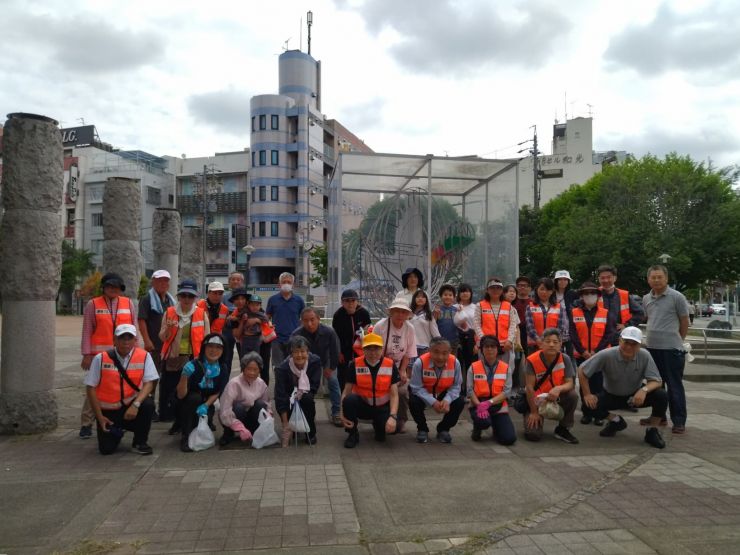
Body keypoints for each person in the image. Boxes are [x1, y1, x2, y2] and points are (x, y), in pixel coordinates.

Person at [579, 327, 668, 448]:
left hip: (634, 396)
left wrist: (644, 390)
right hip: (611, 395)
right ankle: (616, 421)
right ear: (620, 341)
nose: (629, 347)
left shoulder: (645, 355)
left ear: (640, 345)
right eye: (626, 342)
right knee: (587, 406)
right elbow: (582, 370)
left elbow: (657, 381)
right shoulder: (607, 354)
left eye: (634, 344)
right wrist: (587, 394)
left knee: (661, 395)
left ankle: (652, 430)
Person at [84, 324, 157, 455]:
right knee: (106, 450)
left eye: (130, 338)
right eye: (122, 338)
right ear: (114, 340)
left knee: (148, 404)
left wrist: (135, 405)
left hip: (131, 406)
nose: (126, 342)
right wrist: (99, 417)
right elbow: (90, 388)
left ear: (135, 340)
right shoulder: (100, 358)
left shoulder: (144, 356)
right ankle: (117, 431)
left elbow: (149, 384)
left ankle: (139, 442)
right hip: (109, 411)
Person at [79, 272, 134, 439]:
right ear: (103, 287)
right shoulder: (93, 304)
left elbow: (133, 329)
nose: (113, 289)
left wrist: (136, 351)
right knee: (94, 388)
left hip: (123, 352)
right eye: (109, 286)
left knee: (119, 387)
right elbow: (87, 330)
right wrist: (86, 354)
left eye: (116, 287)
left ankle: (117, 420)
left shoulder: (128, 303)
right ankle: (86, 423)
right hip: (99, 355)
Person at [642, 264, 690, 434]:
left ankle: (679, 421)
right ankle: (659, 417)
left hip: (671, 350)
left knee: (674, 386)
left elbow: (684, 321)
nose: (656, 280)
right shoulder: (646, 298)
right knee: (656, 385)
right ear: (648, 280)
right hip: (651, 348)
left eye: (659, 277)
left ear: (666, 278)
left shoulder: (677, 297)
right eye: (653, 277)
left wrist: (678, 340)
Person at [158, 279, 210, 430]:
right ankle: (176, 420)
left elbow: (207, 339)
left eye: (190, 296)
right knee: (172, 392)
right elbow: (162, 337)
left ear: (195, 298)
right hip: (174, 358)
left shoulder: (201, 314)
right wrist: (168, 329)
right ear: (179, 296)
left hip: (194, 359)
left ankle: (186, 421)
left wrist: (206, 360)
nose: (187, 299)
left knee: (190, 392)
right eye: (183, 295)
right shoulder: (169, 312)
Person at [340, 332, 400, 448]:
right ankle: (352, 434)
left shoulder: (390, 364)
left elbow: (394, 395)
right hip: (363, 406)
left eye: (376, 349)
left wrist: (393, 417)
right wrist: (341, 413)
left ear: (382, 349)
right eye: (368, 349)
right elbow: (346, 391)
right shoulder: (354, 364)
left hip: (382, 408)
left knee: (393, 429)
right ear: (363, 349)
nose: (373, 353)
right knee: (349, 400)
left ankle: (379, 426)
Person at [570, 281, 618, 426]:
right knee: (584, 384)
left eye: (592, 293)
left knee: (598, 385)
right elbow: (573, 334)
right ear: (582, 296)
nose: (589, 296)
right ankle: (587, 413)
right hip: (582, 355)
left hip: (601, 356)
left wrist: (596, 352)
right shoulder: (574, 312)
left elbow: (609, 334)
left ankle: (599, 414)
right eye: (586, 293)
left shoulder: (605, 313)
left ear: (598, 296)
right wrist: (583, 351)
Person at [523, 327, 579, 444]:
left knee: (572, 395)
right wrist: (534, 412)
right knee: (533, 435)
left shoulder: (565, 358)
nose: (551, 345)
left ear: (560, 344)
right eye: (548, 341)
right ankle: (531, 415)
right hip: (536, 400)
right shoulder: (531, 360)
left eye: (555, 342)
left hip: (556, 396)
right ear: (541, 344)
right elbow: (529, 388)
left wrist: (558, 389)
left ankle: (563, 429)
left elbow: (570, 383)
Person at [175, 333, 229, 452]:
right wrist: (184, 375)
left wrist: (206, 405)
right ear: (204, 348)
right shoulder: (193, 365)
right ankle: (185, 437)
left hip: (206, 404)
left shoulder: (223, 368)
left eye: (218, 347)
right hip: (187, 404)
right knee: (195, 398)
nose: (214, 350)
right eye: (210, 346)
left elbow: (218, 391)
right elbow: (180, 395)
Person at [291, 307, 342, 427]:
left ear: (318, 319)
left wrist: (331, 368)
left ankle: (336, 412)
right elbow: (292, 354)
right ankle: (303, 413)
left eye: (312, 320)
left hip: (326, 361)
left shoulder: (329, 332)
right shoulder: (297, 334)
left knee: (333, 383)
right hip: (306, 364)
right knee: (302, 387)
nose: (309, 324)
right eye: (305, 320)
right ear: (301, 321)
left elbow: (335, 351)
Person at [408, 337, 465, 443]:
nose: (440, 357)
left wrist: (447, 400)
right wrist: (433, 402)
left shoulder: (455, 363)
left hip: (444, 392)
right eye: (436, 352)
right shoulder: (420, 363)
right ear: (429, 351)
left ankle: (443, 429)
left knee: (460, 401)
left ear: (450, 352)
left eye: (444, 353)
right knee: (413, 400)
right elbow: (416, 387)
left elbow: (456, 386)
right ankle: (422, 429)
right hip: (425, 393)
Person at [373, 297, 417, 434]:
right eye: (397, 311)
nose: (400, 314)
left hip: (398, 365)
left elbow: (408, 352)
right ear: (391, 312)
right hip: (380, 365)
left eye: (403, 312)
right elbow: (374, 351)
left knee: (402, 391)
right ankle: (380, 417)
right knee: (381, 389)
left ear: (407, 314)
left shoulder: (410, 328)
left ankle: (401, 419)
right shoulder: (380, 326)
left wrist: (402, 370)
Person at [137, 269, 175, 421]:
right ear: (153, 281)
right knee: (152, 378)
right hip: (154, 345)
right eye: (159, 280)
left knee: (167, 378)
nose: (162, 283)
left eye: (165, 280)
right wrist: (147, 340)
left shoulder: (170, 300)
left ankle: (164, 408)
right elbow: (141, 320)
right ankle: (150, 408)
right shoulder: (147, 299)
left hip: (168, 345)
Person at [468, 335, 517, 445]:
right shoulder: (473, 367)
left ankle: (496, 426)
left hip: (498, 404)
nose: (490, 349)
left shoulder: (505, 367)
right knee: (483, 422)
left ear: (497, 349)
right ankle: (477, 427)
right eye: (486, 347)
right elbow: (470, 390)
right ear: (481, 350)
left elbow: (506, 391)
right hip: (478, 404)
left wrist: (489, 403)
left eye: (493, 346)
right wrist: (479, 405)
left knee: (509, 439)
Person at [274, 336, 322, 447]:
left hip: (305, 394)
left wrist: (300, 394)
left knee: (307, 399)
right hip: (289, 398)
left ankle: (310, 431)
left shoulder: (315, 362)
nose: (299, 355)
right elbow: (280, 395)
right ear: (290, 354)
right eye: (295, 352)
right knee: (285, 401)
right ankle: (290, 427)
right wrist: (285, 425)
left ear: (308, 352)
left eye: (303, 351)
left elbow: (314, 386)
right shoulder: (282, 369)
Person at [473, 277, 517, 392]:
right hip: (487, 346)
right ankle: (485, 393)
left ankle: (504, 394)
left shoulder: (508, 306)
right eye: (492, 288)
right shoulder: (480, 305)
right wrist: (484, 341)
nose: (495, 290)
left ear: (502, 290)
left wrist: (510, 340)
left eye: (498, 288)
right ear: (487, 290)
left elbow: (513, 325)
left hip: (505, 346)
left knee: (506, 371)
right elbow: (476, 324)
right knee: (485, 370)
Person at [219, 352, 271, 447]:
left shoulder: (261, 383)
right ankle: (228, 433)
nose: (252, 373)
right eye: (249, 369)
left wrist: (268, 421)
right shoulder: (234, 383)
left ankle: (254, 431)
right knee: (238, 407)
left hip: (251, 416)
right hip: (234, 417)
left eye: (255, 369)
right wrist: (240, 428)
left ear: (259, 370)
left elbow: (267, 404)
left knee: (260, 404)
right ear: (243, 369)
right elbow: (224, 410)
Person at [332, 289, 372, 391]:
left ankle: (361, 395)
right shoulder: (338, 315)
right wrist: (339, 352)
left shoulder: (363, 313)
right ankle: (344, 397)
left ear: (357, 301)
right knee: (343, 376)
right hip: (344, 351)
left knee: (361, 376)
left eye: (353, 300)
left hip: (360, 351)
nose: (350, 303)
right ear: (342, 302)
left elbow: (368, 332)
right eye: (347, 301)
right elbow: (335, 336)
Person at [266, 272, 305, 369]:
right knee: (278, 367)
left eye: (289, 282)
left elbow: (304, 318)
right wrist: (269, 327)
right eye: (284, 282)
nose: (286, 284)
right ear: (279, 284)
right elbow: (267, 317)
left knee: (295, 366)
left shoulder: (299, 300)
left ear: (293, 285)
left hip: (294, 339)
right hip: (277, 339)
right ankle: (279, 379)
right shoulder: (272, 300)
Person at [526, 277, 569, 353]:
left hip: (553, 346)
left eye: (548, 290)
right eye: (542, 289)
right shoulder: (530, 306)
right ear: (537, 290)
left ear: (552, 291)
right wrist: (538, 340)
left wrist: (550, 342)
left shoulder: (559, 307)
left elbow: (561, 327)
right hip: (535, 346)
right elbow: (530, 327)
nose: (544, 292)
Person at [596, 265, 644, 331]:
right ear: (599, 279)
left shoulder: (624, 295)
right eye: (602, 278)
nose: (606, 280)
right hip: (599, 334)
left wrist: (627, 325)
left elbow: (640, 313)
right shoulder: (594, 294)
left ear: (615, 278)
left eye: (609, 277)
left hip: (619, 334)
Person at [453, 283, 478, 394]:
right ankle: (458, 390)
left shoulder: (476, 307)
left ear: (471, 293)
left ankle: (470, 390)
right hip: (457, 338)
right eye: (462, 291)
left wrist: (477, 343)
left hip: (472, 337)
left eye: (467, 291)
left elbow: (478, 325)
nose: (465, 293)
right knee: (458, 364)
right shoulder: (454, 307)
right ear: (459, 294)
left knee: (470, 364)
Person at [234, 293, 271, 361]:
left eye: (257, 305)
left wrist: (257, 320)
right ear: (248, 305)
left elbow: (266, 320)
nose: (255, 307)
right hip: (245, 338)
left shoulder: (261, 314)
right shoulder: (245, 312)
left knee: (255, 358)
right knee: (244, 358)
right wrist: (241, 318)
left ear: (260, 306)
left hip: (256, 338)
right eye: (252, 305)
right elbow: (237, 317)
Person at [222, 271, 246, 373]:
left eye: (238, 280)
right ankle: (225, 380)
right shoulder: (224, 297)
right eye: (233, 279)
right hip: (227, 330)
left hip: (243, 330)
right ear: (229, 282)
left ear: (242, 282)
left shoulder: (247, 297)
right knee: (226, 358)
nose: (235, 281)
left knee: (244, 357)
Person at [553, 270, 579, 357]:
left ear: (568, 281)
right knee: (556, 353)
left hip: (569, 327)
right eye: (560, 279)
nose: (562, 282)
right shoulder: (551, 293)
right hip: (554, 325)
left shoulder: (573, 294)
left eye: (565, 279)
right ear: (556, 281)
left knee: (570, 354)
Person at [410, 289, 440, 357]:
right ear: (414, 299)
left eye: (423, 297)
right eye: (418, 297)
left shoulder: (429, 315)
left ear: (426, 300)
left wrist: (440, 344)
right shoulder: (409, 314)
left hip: (425, 347)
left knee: (424, 364)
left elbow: (435, 331)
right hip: (411, 347)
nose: (420, 298)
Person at [435, 284, 460, 354]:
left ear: (454, 297)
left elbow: (461, 325)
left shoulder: (457, 310)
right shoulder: (437, 310)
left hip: (453, 341)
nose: (447, 297)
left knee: (452, 359)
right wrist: (435, 314)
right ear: (441, 296)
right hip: (440, 341)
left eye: (450, 295)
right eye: (445, 295)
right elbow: (433, 325)